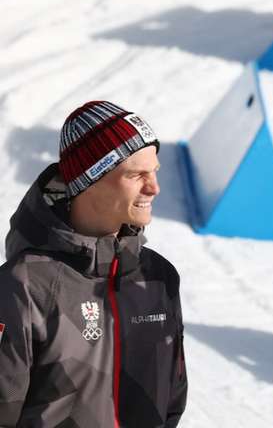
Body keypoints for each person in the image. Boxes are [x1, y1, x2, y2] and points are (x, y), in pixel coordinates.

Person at [0, 101, 187, 427]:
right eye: (136, 174)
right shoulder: (26, 285)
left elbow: (171, 402)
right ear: (89, 181)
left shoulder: (160, 278)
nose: (154, 188)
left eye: (154, 170)